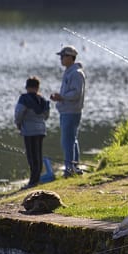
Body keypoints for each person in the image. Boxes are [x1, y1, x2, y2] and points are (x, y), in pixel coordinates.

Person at [50, 45, 85, 176]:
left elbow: (76, 94)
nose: (61, 59)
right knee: (72, 140)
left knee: (67, 141)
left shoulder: (76, 73)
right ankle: (74, 167)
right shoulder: (70, 71)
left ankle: (70, 169)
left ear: (70, 57)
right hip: (68, 111)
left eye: (63, 56)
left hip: (71, 112)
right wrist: (59, 98)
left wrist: (62, 97)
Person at [14, 76, 50, 188]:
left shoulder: (24, 99)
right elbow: (46, 116)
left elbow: (19, 113)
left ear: (27, 87)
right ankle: (36, 179)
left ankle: (32, 182)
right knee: (38, 155)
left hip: (29, 131)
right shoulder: (43, 100)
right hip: (41, 130)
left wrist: (18, 124)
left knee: (31, 156)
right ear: (38, 87)